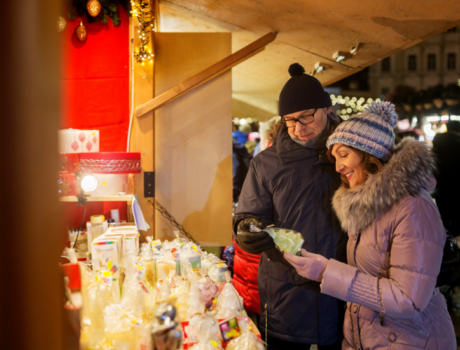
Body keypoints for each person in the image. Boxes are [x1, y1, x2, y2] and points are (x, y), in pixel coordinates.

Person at [285, 101, 456, 350]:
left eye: (344, 155)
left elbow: (408, 299)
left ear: (370, 154)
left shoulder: (412, 207)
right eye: (334, 157)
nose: (338, 166)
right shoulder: (364, 206)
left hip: (412, 341)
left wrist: (326, 273)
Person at [234, 63, 348, 349]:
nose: (299, 127)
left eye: (306, 116)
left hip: (346, 290)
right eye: (289, 120)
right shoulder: (266, 164)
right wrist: (247, 229)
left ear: (326, 109)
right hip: (288, 295)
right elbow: (248, 216)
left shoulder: (350, 156)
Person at [233, 116, 281, 328]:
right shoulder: (264, 164)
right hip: (259, 272)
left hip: (261, 271)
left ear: (268, 140)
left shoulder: (265, 165)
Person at [432, 120, 460, 237]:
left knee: (442, 213)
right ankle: (453, 238)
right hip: (456, 185)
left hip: (441, 185)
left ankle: (442, 237)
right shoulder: (457, 143)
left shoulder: (438, 141)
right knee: (456, 213)